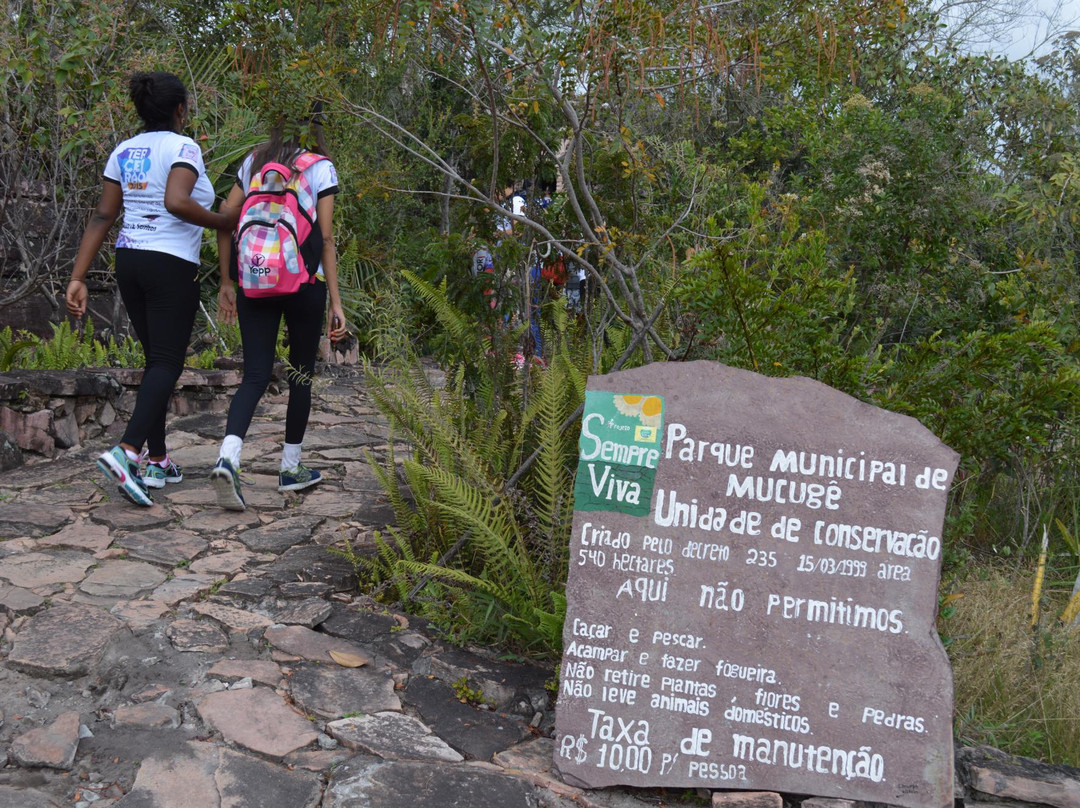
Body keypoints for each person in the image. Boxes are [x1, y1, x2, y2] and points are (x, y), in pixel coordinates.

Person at [65, 71, 236, 507]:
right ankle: (126, 452)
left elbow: (102, 217)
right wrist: (223, 222)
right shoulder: (183, 147)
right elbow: (176, 202)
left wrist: (78, 277)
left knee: (155, 362)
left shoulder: (124, 150)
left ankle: (156, 460)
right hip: (169, 263)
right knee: (166, 362)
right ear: (180, 109)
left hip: (130, 260)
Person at [209, 112, 347, 511]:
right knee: (301, 374)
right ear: (315, 129)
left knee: (254, 374)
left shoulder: (254, 162)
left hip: (255, 279)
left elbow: (224, 216)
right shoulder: (319, 167)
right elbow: (325, 238)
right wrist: (335, 303)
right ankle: (291, 469)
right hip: (304, 283)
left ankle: (228, 459)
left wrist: (226, 280)